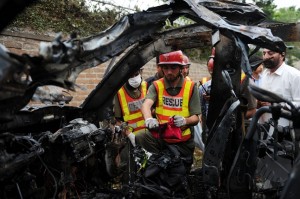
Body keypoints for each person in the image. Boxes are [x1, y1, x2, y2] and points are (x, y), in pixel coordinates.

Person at [136, 50, 201, 168]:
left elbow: (196, 118)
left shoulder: (191, 87)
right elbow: (146, 105)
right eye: (165, 68)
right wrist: (149, 119)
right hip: (162, 138)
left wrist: (185, 121)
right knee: (141, 136)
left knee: (178, 174)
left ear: (181, 68)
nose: (169, 72)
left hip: (182, 140)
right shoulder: (156, 85)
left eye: (173, 67)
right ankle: (156, 163)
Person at [258, 48, 300, 127]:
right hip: (263, 130)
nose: (266, 57)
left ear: (282, 55)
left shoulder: (295, 75)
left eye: (270, 53)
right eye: (264, 53)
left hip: (284, 133)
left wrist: (276, 104)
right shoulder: (265, 73)